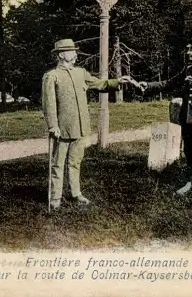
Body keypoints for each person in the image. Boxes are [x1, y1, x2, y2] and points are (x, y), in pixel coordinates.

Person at [42, 38, 135, 210]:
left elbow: (99, 84)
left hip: (81, 127)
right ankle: (55, 197)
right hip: (62, 128)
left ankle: (76, 193)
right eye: (72, 51)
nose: (76, 54)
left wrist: (118, 82)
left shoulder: (80, 73)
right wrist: (53, 125)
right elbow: (48, 104)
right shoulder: (51, 76)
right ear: (62, 55)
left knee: (76, 161)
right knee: (57, 163)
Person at [139, 37, 192, 200]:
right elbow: (170, 83)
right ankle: (191, 180)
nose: (187, 53)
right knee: (189, 150)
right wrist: (149, 86)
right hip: (186, 116)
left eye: (191, 50)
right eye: (188, 50)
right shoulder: (188, 68)